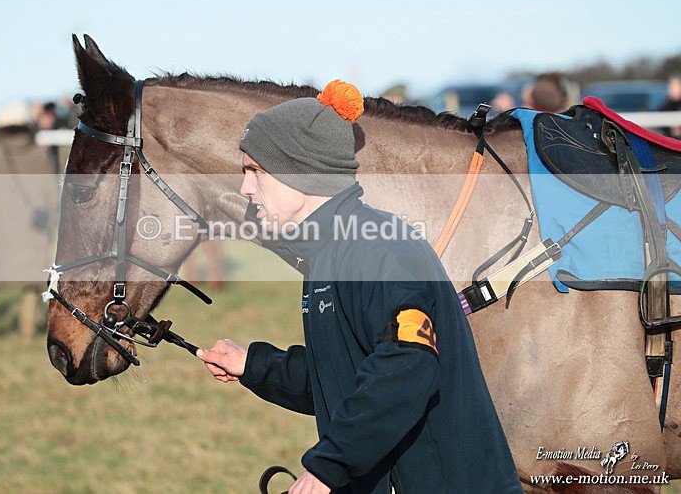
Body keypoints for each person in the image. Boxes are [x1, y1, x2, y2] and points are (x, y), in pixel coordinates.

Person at [196, 80, 522, 493]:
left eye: (256, 171)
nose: (245, 188)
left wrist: (327, 467)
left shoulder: (377, 247)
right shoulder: (325, 254)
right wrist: (254, 365)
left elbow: (406, 367)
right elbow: (348, 379)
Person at [0, 101, 58, 339]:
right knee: (31, 284)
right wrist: (50, 224)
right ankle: (26, 333)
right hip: (32, 230)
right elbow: (51, 196)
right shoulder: (39, 157)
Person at [659, 73, 681, 139]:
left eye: (674, 86)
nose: (670, 89)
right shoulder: (666, 104)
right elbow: (657, 119)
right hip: (669, 143)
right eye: (670, 86)